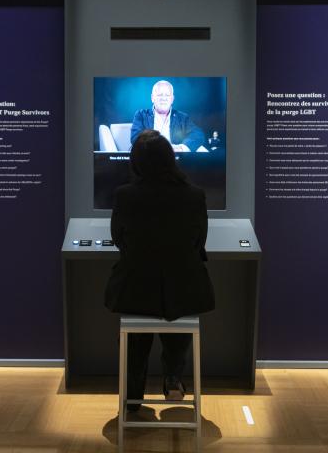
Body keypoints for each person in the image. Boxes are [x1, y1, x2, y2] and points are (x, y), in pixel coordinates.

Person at [106, 130, 214, 412]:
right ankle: (174, 378)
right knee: (176, 313)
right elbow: (198, 241)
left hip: (135, 289)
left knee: (137, 332)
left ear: (136, 162)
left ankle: (131, 397)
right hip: (185, 287)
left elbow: (119, 240)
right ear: (170, 158)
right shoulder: (195, 195)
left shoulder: (125, 196)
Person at [130, 80, 205, 152]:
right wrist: (157, 147)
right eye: (160, 95)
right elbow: (135, 138)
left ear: (172, 99)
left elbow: (198, 134)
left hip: (174, 158)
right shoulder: (141, 115)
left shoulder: (182, 117)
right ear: (152, 98)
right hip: (150, 156)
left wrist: (181, 148)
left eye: (167, 95)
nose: (164, 98)